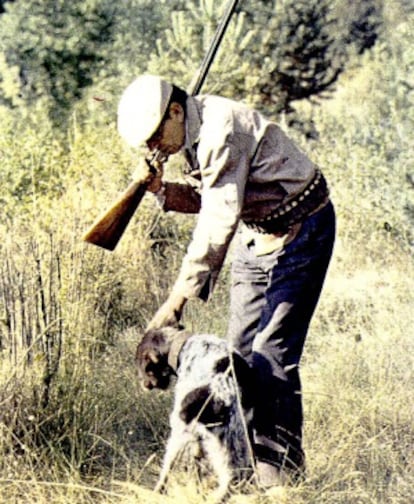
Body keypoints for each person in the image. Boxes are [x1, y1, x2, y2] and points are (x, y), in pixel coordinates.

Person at [117, 74, 336, 486]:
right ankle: (242, 470)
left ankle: (281, 480)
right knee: (237, 358)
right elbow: (211, 196)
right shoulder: (193, 133)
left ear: (176, 112)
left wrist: (175, 301)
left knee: (272, 356)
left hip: (303, 228)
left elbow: (218, 220)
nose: (153, 148)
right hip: (258, 234)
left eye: (153, 137)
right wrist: (161, 188)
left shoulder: (221, 130)